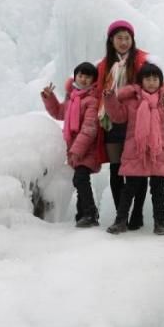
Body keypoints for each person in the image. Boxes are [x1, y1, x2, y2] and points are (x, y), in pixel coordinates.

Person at [96, 20, 164, 231]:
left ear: (133, 40)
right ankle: (122, 216)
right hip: (112, 121)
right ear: (111, 40)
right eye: (119, 38)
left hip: (138, 121)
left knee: (138, 169)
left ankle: (136, 214)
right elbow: (95, 92)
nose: (123, 42)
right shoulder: (104, 65)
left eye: (127, 38)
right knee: (116, 168)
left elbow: (158, 83)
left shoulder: (142, 59)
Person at [103, 63, 164, 235]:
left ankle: (160, 223)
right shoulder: (132, 102)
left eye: (155, 79)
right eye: (147, 79)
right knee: (129, 189)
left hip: (158, 152)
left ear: (160, 81)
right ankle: (120, 221)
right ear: (141, 81)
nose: (151, 82)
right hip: (136, 151)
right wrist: (110, 99)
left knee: (158, 190)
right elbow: (118, 116)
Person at [41, 62, 101, 227]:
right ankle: (82, 213)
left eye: (87, 76)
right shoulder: (72, 99)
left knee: (80, 178)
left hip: (86, 148)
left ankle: (90, 212)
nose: (83, 79)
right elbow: (59, 113)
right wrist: (49, 98)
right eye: (80, 75)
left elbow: (90, 128)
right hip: (74, 148)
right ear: (75, 77)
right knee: (80, 179)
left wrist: (77, 149)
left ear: (93, 80)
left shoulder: (91, 101)